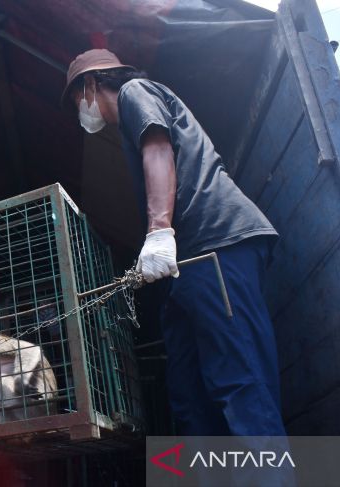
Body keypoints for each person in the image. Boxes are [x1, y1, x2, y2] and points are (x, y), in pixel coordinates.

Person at [62, 49, 286, 437]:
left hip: (215, 246)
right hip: (188, 264)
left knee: (240, 378)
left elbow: (159, 149)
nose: (82, 110)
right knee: (188, 393)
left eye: (78, 100)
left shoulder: (134, 91)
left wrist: (159, 231)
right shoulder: (128, 115)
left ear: (92, 84)